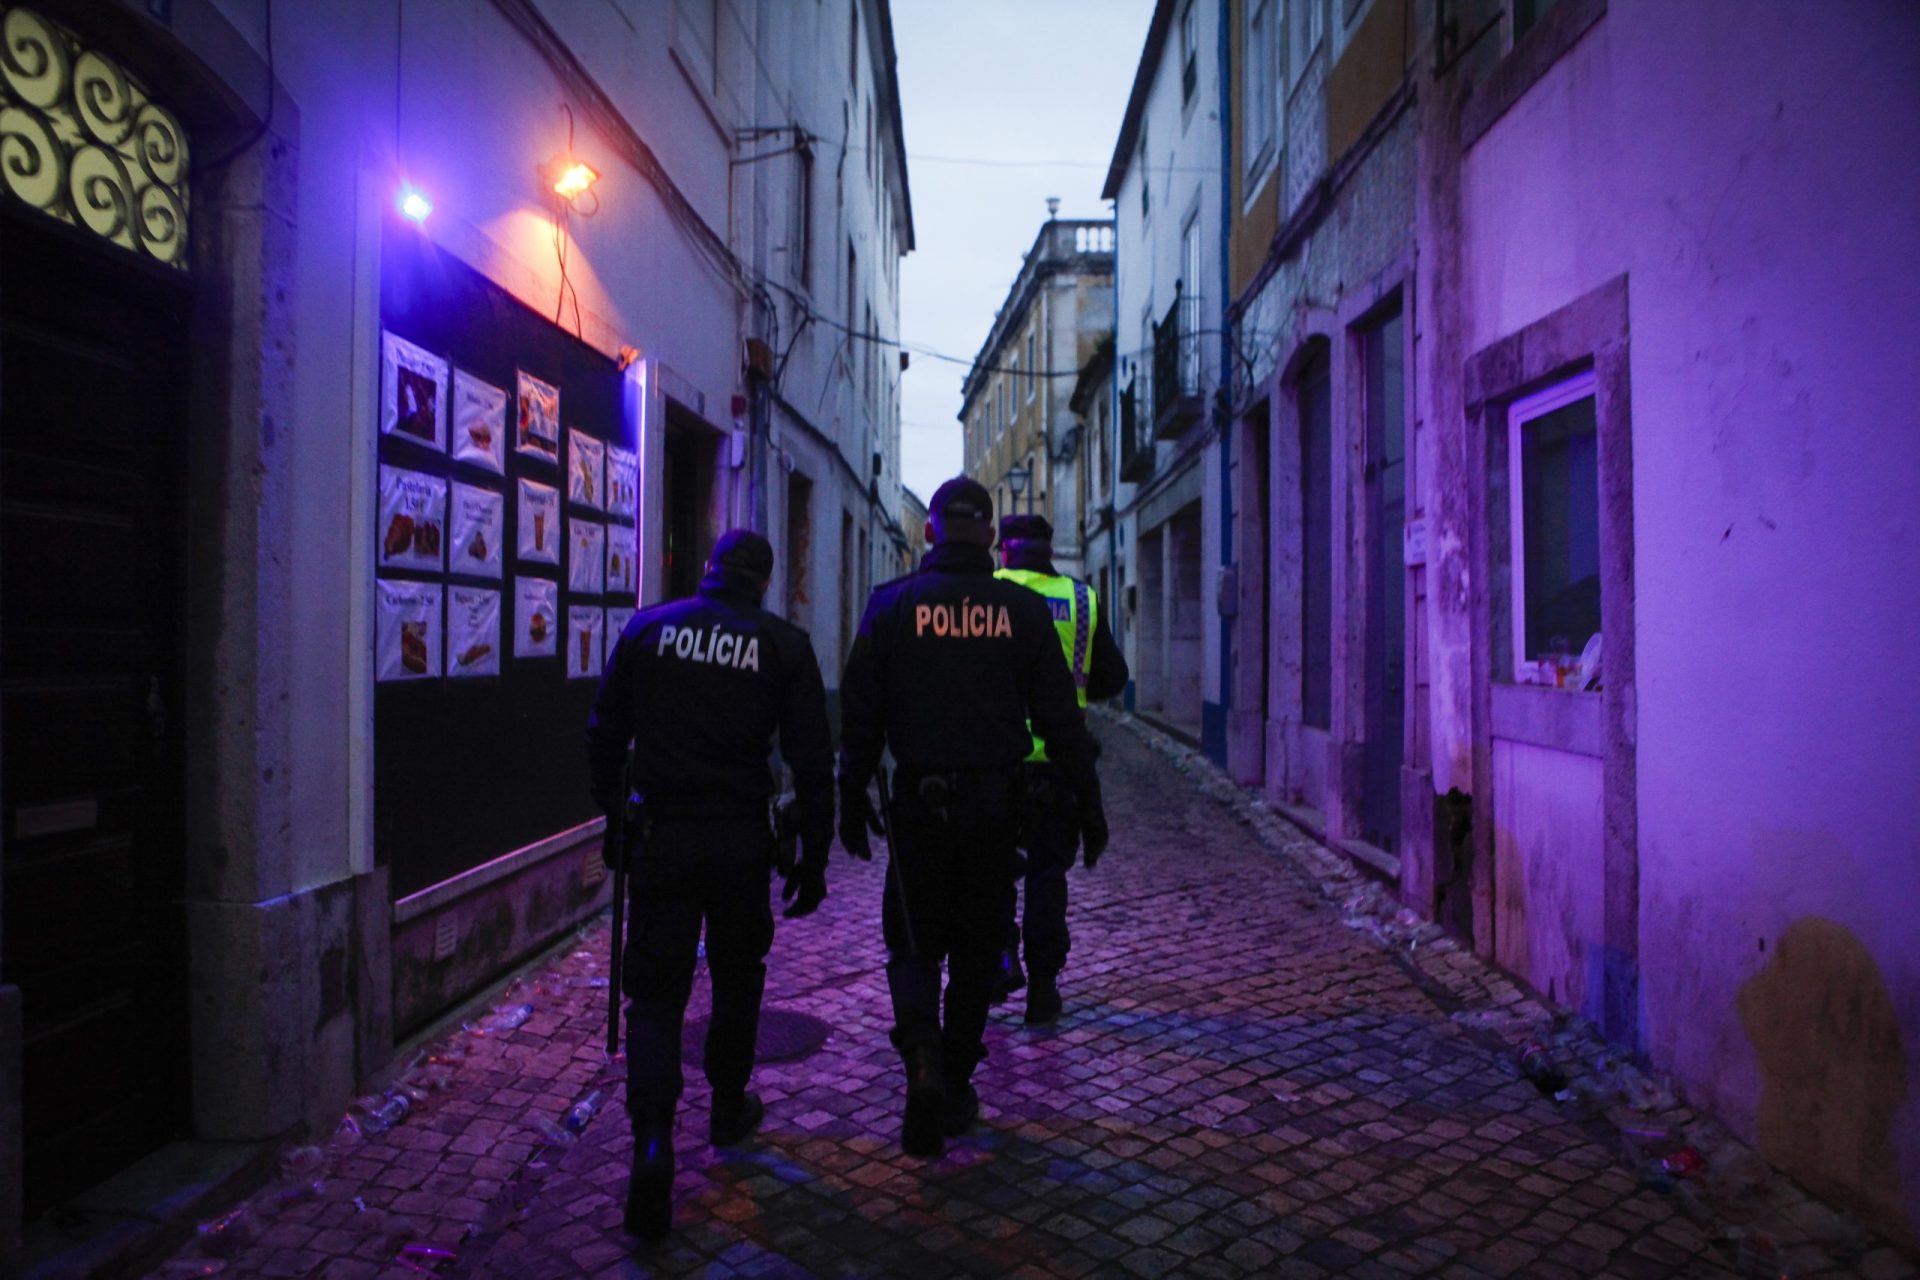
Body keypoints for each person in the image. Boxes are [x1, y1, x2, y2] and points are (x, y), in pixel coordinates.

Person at [838, 477, 1107, 1158]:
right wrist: (1088, 800)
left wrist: (847, 797)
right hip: (995, 808)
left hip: (918, 808)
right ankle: (954, 1081)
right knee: (978, 949)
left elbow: (861, 717)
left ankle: (922, 1058)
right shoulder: (1022, 611)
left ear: (929, 532)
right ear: (989, 537)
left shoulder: (892, 605)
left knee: (913, 940)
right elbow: (1062, 721)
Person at [586, 529, 834, 1242]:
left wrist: (614, 812)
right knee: (737, 975)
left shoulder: (649, 630)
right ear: (765, 581)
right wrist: (813, 854)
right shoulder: (783, 646)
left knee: (656, 996)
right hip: (737, 840)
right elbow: (812, 759)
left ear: (708, 571)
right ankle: (727, 1106)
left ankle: (654, 1140)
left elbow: (603, 732)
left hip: (662, 836)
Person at [992, 513, 1129, 1024]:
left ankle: (1001, 958)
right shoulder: (1081, 600)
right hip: (1057, 760)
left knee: (993, 869)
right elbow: (1112, 677)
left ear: (1004, 549)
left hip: (997, 760)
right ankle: (1044, 988)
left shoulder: (985, 593)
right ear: (1050, 550)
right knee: (1048, 874)